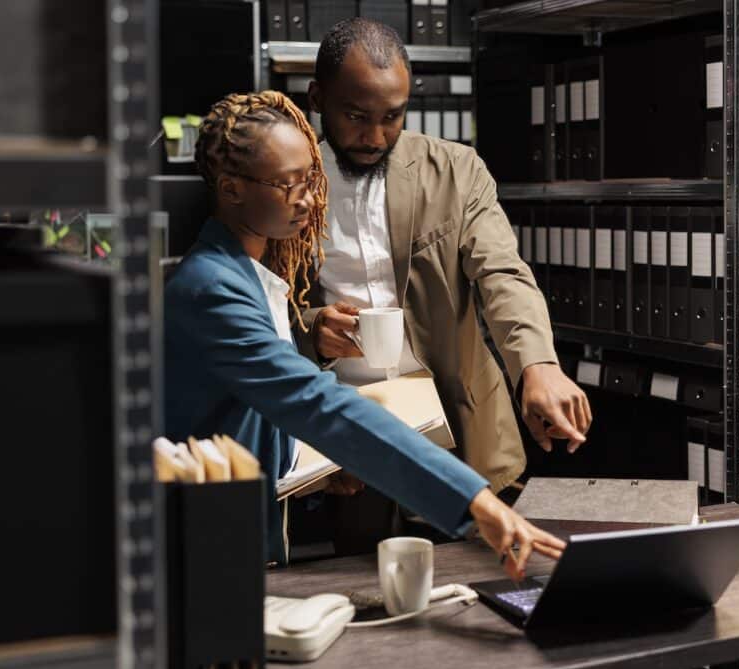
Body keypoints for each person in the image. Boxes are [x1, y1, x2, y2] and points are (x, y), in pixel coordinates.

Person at [163, 89, 564, 578]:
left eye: (310, 178)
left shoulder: (246, 272)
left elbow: (255, 413)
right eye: (288, 184)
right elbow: (313, 401)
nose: (309, 200)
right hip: (207, 552)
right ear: (231, 189)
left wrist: (318, 470)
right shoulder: (212, 289)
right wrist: (475, 501)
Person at [295, 19, 592, 509]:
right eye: (355, 115)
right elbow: (265, 301)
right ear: (317, 98)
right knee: (363, 576)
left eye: (393, 116)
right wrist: (311, 329)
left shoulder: (457, 169)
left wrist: (538, 365)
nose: (374, 136)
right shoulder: (289, 182)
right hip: (346, 440)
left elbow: (501, 273)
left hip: (460, 429)